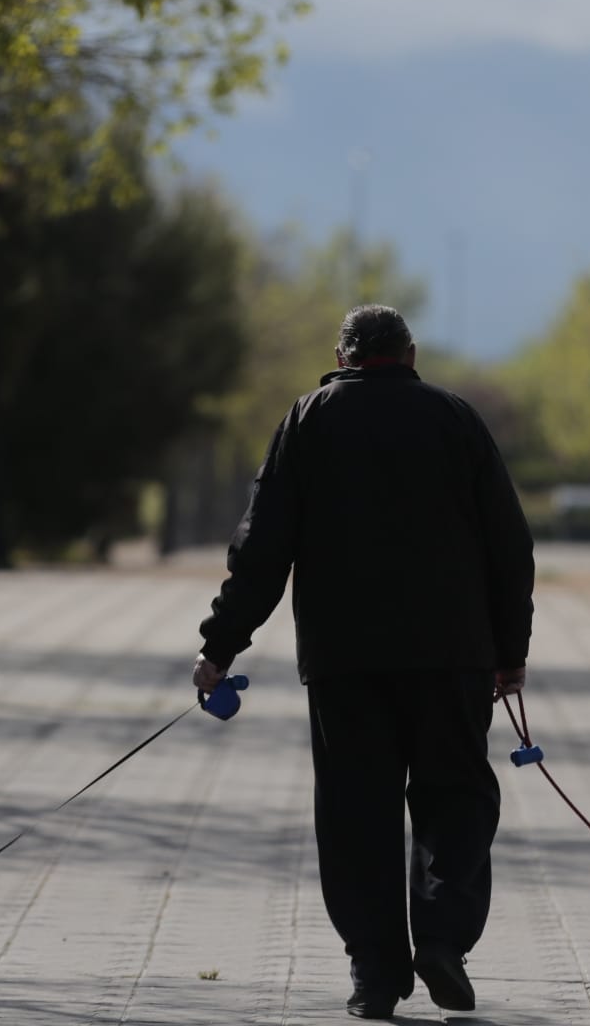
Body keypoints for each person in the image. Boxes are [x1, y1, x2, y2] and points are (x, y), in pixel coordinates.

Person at [191, 303, 535, 1019]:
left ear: (342, 356)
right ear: (409, 355)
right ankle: (441, 941)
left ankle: (375, 976)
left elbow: (261, 548)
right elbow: (510, 547)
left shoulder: (309, 419)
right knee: (456, 800)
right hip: (451, 655)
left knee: (356, 815)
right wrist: (510, 652)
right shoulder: (456, 419)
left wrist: (221, 645)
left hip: (345, 659)